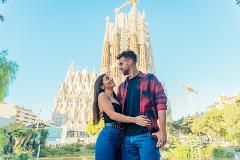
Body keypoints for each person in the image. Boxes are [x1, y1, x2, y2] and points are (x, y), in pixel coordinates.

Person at [117, 50, 168, 160]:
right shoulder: (121, 87)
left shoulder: (150, 79)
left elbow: (161, 105)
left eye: (121, 64)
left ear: (130, 62)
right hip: (127, 139)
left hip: (147, 136)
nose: (119, 67)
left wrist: (163, 131)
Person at [93, 74, 151, 160]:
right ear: (102, 86)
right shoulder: (102, 95)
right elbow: (112, 115)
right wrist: (135, 120)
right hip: (108, 136)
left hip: (121, 136)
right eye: (107, 78)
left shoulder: (117, 99)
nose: (111, 78)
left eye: (110, 77)